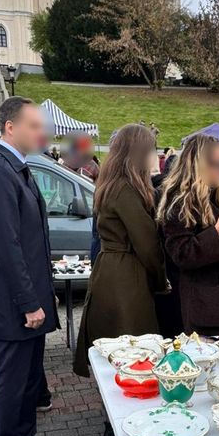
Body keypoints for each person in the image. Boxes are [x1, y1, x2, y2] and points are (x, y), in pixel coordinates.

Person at [0, 97, 65, 436]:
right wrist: (28, 301)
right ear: (10, 127)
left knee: (29, 375)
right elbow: (5, 246)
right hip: (13, 301)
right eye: (32, 125)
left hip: (28, 295)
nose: (40, 132)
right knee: (11, 377)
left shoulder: (17, 167)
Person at [74, 124, 168, 377]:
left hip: (112, 269)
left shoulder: (113, 184)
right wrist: (161, 280)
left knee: (117, 346)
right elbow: (147, 243)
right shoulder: (126, 189)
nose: (154, 157)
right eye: (151, 151)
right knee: (132, 350)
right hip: (126, 275)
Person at [157, 134, 219, 336]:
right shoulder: (180, 202)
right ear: (201, 164)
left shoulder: (217, 196)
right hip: (202, 307)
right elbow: (182, 254)